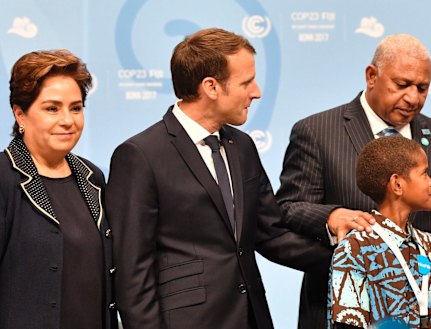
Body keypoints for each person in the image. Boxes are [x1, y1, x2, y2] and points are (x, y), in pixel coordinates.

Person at [106, 28, 332, 329]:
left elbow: (271, 234)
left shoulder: (242, 147)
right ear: (211, 86)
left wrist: (358, 258)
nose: (257, 92)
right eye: (246, 82)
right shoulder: (140, 155)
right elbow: (133, 273)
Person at [276, 34, 431, 329]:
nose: (413, 98)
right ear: (372, 76)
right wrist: (330, 216)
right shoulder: (317, 132)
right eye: (402, 85)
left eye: (422, 88)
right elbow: (287, 208)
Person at [0, 50, 117, 329]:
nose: (68, 120)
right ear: (20, 114)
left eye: (75, 108)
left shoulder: (92, 177)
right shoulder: (4, 177)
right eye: (52, 108)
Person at [328, 136, 431, 329]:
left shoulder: (428, 246)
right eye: (424, 174)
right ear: (397, 184)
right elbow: (348, 323)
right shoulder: (354, 249)